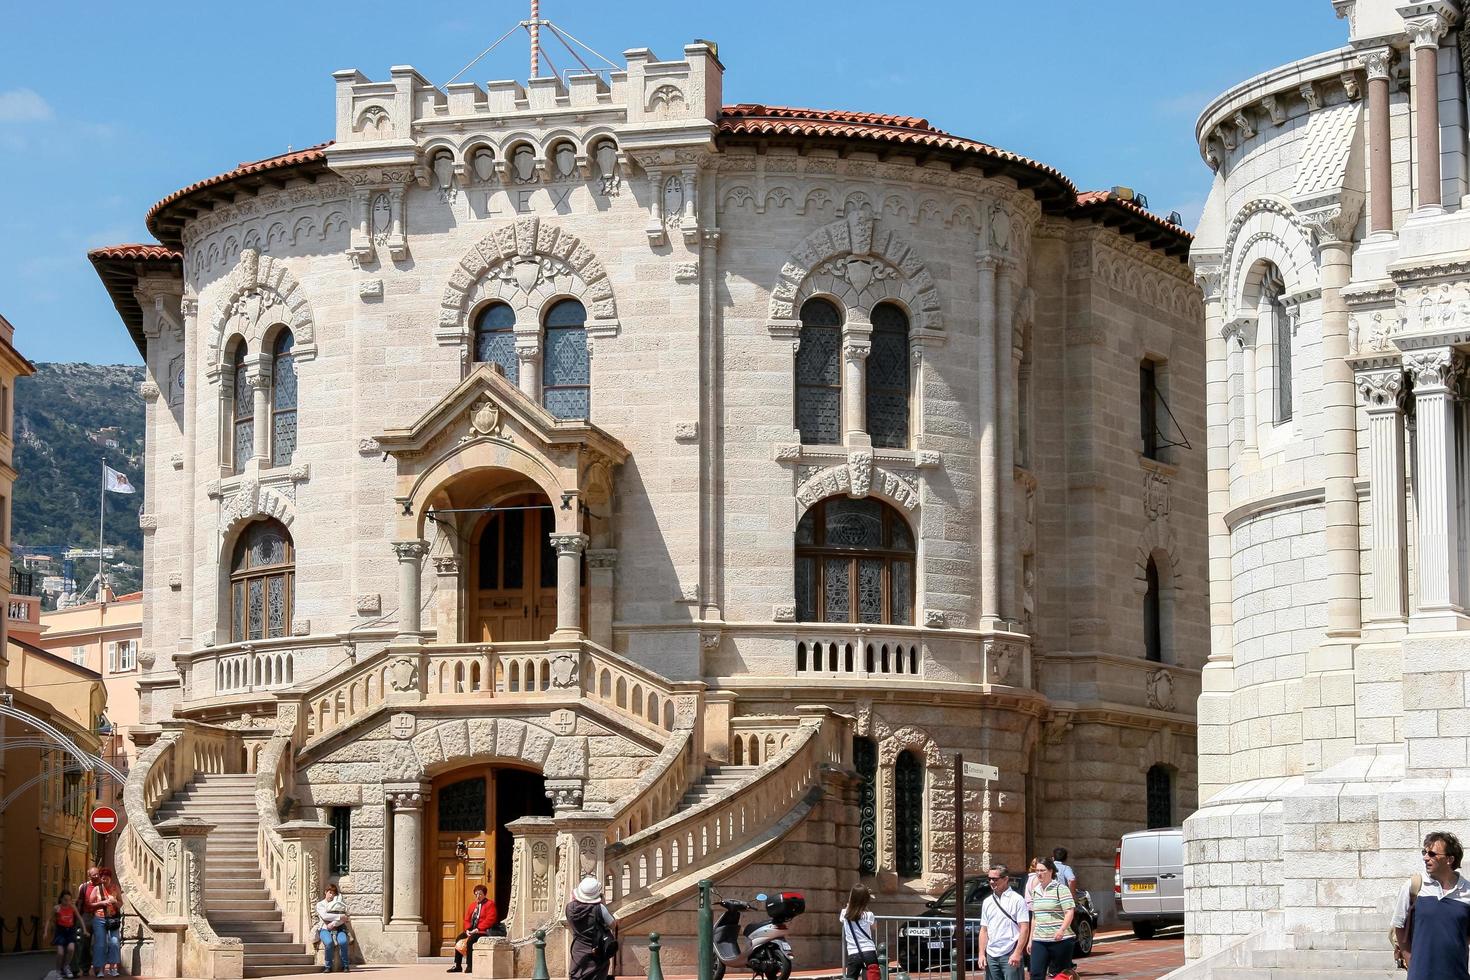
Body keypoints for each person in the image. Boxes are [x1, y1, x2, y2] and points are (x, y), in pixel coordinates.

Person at [1392, 830, 1470, 979]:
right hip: (1421, 974)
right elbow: (1399, 925)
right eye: (1424, 852)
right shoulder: (1414, 886)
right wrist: (1410, 960)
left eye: (1432, 854)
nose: (1425, 858)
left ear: (1449, 859)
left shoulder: (1467, 891)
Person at [977, 866, 1030, 980]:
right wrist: (981, 954)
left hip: (1010, 952)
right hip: (991, 954)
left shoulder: (1017, 899)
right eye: (989, 879)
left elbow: (1024, 928)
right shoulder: (987, 902)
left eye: (995, 879)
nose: (991, 882)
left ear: (1006, 879)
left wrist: (1017, 953)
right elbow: (984, 930)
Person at [1026, 857, 1075, 980]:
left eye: (1042, 870)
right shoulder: (1035, 891)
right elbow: (1035, 917)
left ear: (1051, 871)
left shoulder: (1061, 889)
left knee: (1060, 975)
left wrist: (1062, 930)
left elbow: (1069, 912)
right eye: (1037, 870)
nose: (1039, 873)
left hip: (1060, 940)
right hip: (1040, 939)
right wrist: (1031, 939)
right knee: (1035, 973)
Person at [566, 877, 616, 980]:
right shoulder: (599, 908)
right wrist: (603, 904)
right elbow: (613, 924)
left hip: (578, 950)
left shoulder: (569, 908)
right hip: (597, 950)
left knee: (578, 976)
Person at [447, 883, 498, 973]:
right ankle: (457, 965)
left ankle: (470, 966)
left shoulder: (490, 904)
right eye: (476, 894)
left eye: (480, 894)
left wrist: (477, 929)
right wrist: (467, 930)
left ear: (484, 894)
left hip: (482, 931)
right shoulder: (472, 905)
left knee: (470, 941)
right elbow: (466, 919)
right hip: (472, 930)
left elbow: (490, 919)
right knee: (459, 938)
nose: (478, 896)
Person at [81, 868, 123, 977]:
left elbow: (120, 903)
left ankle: (113, 968)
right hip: (99, 919)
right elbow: (90, 904)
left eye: (107, 879)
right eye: (103, 879)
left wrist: (115, 902)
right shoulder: (97, 889)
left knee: (114, 943)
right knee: (100, 944)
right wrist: (103, 902)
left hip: (113, 918)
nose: (105, 881)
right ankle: (100, 969)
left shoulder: (115, 888)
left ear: (110, 878)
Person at [838, 884, 877, 980]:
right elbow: (874, 927)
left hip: (854, 953)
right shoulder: (869, 915)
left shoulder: (844, 914)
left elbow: (848, 911)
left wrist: (850, 904)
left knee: (851, 978)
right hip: (869, 952)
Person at [315, 883, 351, 973]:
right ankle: (328, 966)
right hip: (324, 929)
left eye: (334, 893)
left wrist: (335, 923)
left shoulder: (339, 904)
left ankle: (345, 965)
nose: (331, 895)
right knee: (329, 943)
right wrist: (339, 916)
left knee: (343, 942)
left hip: (339, 928)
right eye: (330, 892)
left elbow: (345, 918)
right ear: (325, 892)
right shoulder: (320, 904)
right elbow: (325, 916)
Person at [50, 890, 80, 979]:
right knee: (61, 953)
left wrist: (84, 930)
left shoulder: (72, 907)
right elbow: (51, 919)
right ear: (61, 899)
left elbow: (78, 918)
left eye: (69, 900)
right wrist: (48, 930)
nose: (67, 902)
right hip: (61, 931)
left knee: (71, 949)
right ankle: (59, 970)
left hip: (70, 930)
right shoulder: (57, 908)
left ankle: (67, 967)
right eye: (65, 900)